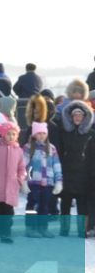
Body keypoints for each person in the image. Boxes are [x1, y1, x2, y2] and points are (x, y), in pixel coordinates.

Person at [52, 101, 94, 237]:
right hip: (67, 171)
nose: (77, 118)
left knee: (83, 205)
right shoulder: (63, 132)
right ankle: (64, 229)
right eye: (74, 115)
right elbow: (59, 150)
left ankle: (83, 230)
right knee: (65, 203)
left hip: (84, 173)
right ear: (70, 117)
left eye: (80, 115)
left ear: (85, 117)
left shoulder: (91, 134)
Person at [22, 122, 62, 238]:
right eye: (39, 133)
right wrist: (25, 181)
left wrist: (58, 181)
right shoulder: (28, 148)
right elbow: (24, 166)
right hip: (33, 182)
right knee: (32, 204)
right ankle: (30, 228)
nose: (41, 136)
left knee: (44, 206)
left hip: (48, 182)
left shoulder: (52, 148)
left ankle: (42, 227)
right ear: (34, 134)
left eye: (44, 133)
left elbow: (56, 165)